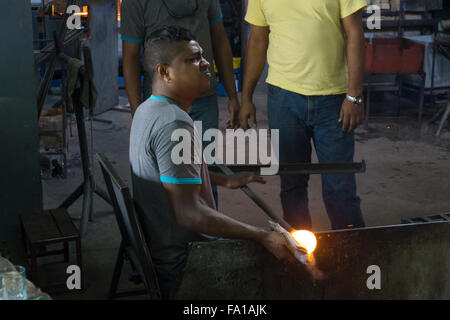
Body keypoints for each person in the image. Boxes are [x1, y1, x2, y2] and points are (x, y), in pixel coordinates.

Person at [129, 26, 297, 300]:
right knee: (285, 268)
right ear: (164, 72)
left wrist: (221, 179)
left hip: (161, 248)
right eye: (192, 59)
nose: (205, 63)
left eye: (202, 55)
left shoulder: (149, 110)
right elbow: (190, 214)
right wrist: (261, 236)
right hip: (185, 262)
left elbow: (169, 173)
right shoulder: (174, 124)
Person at [240, 0, 367, 230]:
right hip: (284, 100)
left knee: (340, 185)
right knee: (292, 183)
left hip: (333, 101)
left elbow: (355, 33)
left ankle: (353, 256)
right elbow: (258, 39)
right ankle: (300, 255)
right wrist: (246, 97)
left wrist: (354, 96)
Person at [120, 0, 240, 206]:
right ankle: (175, 236)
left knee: (205, 173)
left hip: (203, 101)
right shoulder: (135, 3)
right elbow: (130, 56)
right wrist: (137, 112)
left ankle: (209, 235)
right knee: (166, 179)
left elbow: (219, 40)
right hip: (163, 101)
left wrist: (233, 95)